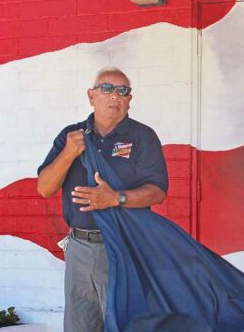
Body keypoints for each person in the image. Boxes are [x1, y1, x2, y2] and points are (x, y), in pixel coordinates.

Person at [37, 67, 169, 332]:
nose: (115, 96)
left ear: (129, 99)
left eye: (123, 91)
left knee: (124, 324)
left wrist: (114, 198)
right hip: (79, 248)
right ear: (91, 96)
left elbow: (157, 191)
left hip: (124, 246)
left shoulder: (142, 137)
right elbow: (44, 188)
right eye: (107, 89)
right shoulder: (71, 135)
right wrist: (69, 153)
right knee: (80, 325)